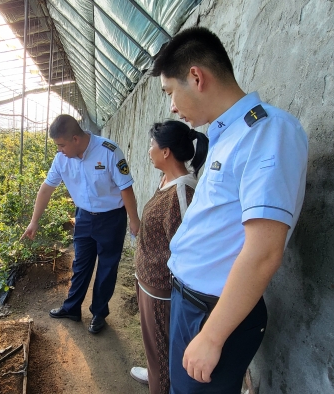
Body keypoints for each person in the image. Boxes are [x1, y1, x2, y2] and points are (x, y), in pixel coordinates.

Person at [150, 27, 309, 393]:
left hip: (214, 313)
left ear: (196, 77)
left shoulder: (267, 132)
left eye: (170, 92)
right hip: (191, 303)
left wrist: (212, 336)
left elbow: (264, 251)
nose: (172, 106)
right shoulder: (227, 136)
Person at [21, 114, 141, 334]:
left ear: (75, 139)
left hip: (111, 218)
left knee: (107, 267)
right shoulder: (61, 159)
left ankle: (98, 313)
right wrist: (33, 222)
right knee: (81, 265)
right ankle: (72, 308)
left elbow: (126, 188)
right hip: (84, 216)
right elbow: (46, 188)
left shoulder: (109, 151)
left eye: (61, 145)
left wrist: (134, 220)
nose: (59, 150)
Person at [130, 120, 209, 394]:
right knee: (155, 347)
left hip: (161, 291)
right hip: (148, 283)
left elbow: (187, 248)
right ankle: (154, 374)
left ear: (166, 152)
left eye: (152, 145)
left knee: (163, 354)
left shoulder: (181, 192)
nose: (148, 150)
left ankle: (160, 384)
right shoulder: (166, 181)